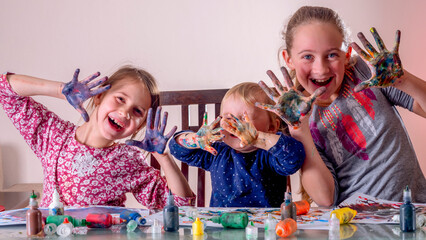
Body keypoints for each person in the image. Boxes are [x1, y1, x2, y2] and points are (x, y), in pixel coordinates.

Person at [260, 6, 426, 206]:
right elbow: (325, 198)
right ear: (289, 59)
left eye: (331, 55)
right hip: (356, 223)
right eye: (307, 56)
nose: (321, 69)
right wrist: (299, 130)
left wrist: (403, 80)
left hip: (413, 211)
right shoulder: (296, 115)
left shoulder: (366, 73)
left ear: (346, 54)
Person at [0, 66, 195, 209]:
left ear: (141, 125)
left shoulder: (127, 159)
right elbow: (6, 89)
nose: (125, 113)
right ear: (99, 96)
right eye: (120, 99)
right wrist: (60, 90)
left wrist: (163, 157)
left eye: (137, 111)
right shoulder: (53, 134)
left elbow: (180, 206)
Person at [168, 82, 305, 207]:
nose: (234, 124)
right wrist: (196, 139)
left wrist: (258, 139)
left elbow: (294, 157)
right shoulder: (216, 152)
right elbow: (176, 149)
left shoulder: (271, 155)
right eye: (228, 118)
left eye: (243, 119)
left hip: (265, 227)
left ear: (271, 127)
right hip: (221, 227)